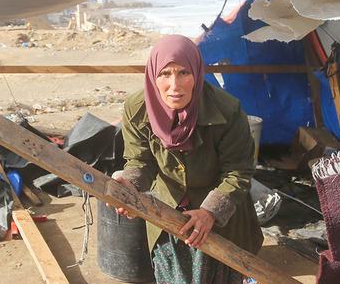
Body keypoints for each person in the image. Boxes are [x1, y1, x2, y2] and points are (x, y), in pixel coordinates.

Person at [111, 34, 262, 283]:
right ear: (152, 75)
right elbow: (140, 161)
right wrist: (131, 186)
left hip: (222, 220)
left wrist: (210, 212)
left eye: (183, 73)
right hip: (168, 215)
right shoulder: (137, 109)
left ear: (197, 72)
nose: (175, 86)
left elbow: (238, 171)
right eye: (165, 74)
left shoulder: (227, 110)